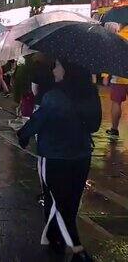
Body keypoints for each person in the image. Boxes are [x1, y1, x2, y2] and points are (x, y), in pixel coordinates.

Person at [17, 60, 101, 262]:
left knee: (57, 201)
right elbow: (95, 125)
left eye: (57, 66)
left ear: (67, 70)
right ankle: (55, 238)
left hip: (55, 156)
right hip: (81, 156)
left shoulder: (54, 96)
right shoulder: (90, 94)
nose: (54, 70)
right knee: (70, 202)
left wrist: (23, 134)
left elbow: (38, 122)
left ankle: (77, 249)